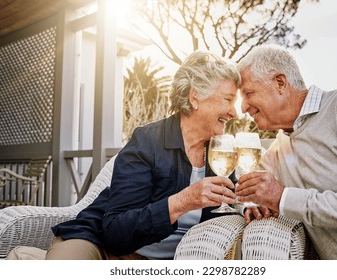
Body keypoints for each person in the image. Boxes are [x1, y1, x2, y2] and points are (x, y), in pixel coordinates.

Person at [43, 50, 241, 260]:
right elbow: (116, 232)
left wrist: (248, 205)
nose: (234, 112)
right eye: (228, 100)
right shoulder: (147, 141)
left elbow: (230, 204)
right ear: (195, 97)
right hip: (100, 243)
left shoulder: (221, 152)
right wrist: (184, 200)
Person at [234, 44, 337, 259]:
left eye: (248, 93)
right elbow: (242, 189)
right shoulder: (280, 145)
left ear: (280, 83)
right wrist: (251, 204)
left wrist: (283, 198)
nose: (242, 108)